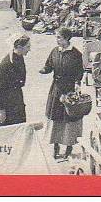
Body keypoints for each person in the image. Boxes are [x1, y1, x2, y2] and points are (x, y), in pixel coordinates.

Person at [40, 27, 85, 160]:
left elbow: (79, 71)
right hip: (56, 89)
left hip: (69, 89)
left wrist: (77, 83)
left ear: (66, 39)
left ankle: (68, 148)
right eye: (56, 37)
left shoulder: (76, 54)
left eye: (59, 37)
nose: (57, 40)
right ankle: (55, 147)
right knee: (56, 118)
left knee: (69, 119)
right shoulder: (55, 51)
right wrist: (44, 70)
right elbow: (48, 65)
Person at [0, 35, 30, 127]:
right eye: (27, 47)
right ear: (19, 47)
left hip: (16, 99)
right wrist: (2, 112)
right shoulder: (6, 64)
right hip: (6, 104)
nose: (29, 49)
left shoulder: (19, 57)